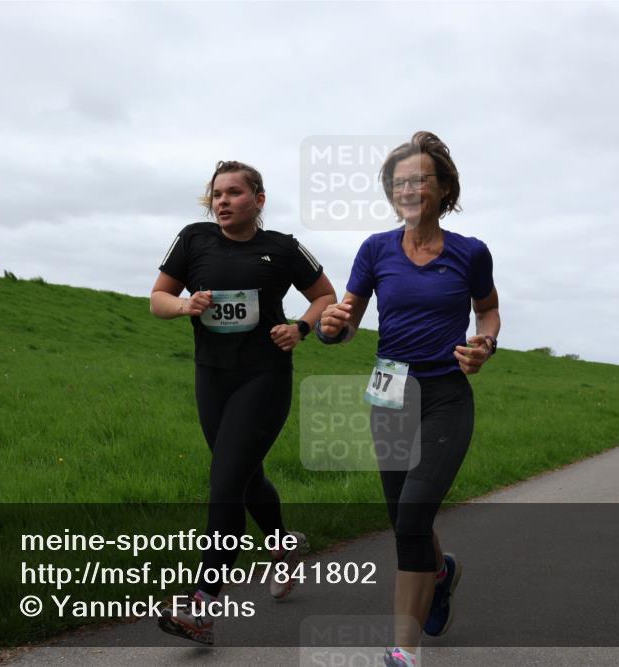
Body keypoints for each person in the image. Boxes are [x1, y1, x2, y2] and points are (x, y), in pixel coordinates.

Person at [317, 132, 499, 667]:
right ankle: (440, 574)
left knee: (415, 515)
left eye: (420, 179)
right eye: (399, 182)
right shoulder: (375, 249)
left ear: (444, 188)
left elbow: (488, 311)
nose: (409, 188)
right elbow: (346, 319)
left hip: (445, 395)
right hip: (390, 392)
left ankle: (404, 650)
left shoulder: (471, 253)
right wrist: (332, 326)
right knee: (403, 518)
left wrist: (484, 343)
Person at [150, 160, 336, 645]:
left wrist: (300, 328)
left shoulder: (282, 248)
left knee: (226, 481)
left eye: (234, 193)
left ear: (258, 198)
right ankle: (283, 545)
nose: (222, 201)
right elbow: (158, 299)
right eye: (216, 194)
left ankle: (203, 606)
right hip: (211, 377)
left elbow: (325, 296)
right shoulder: (193, 239)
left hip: (264, 377)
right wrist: (184, 305)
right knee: (245, 475)